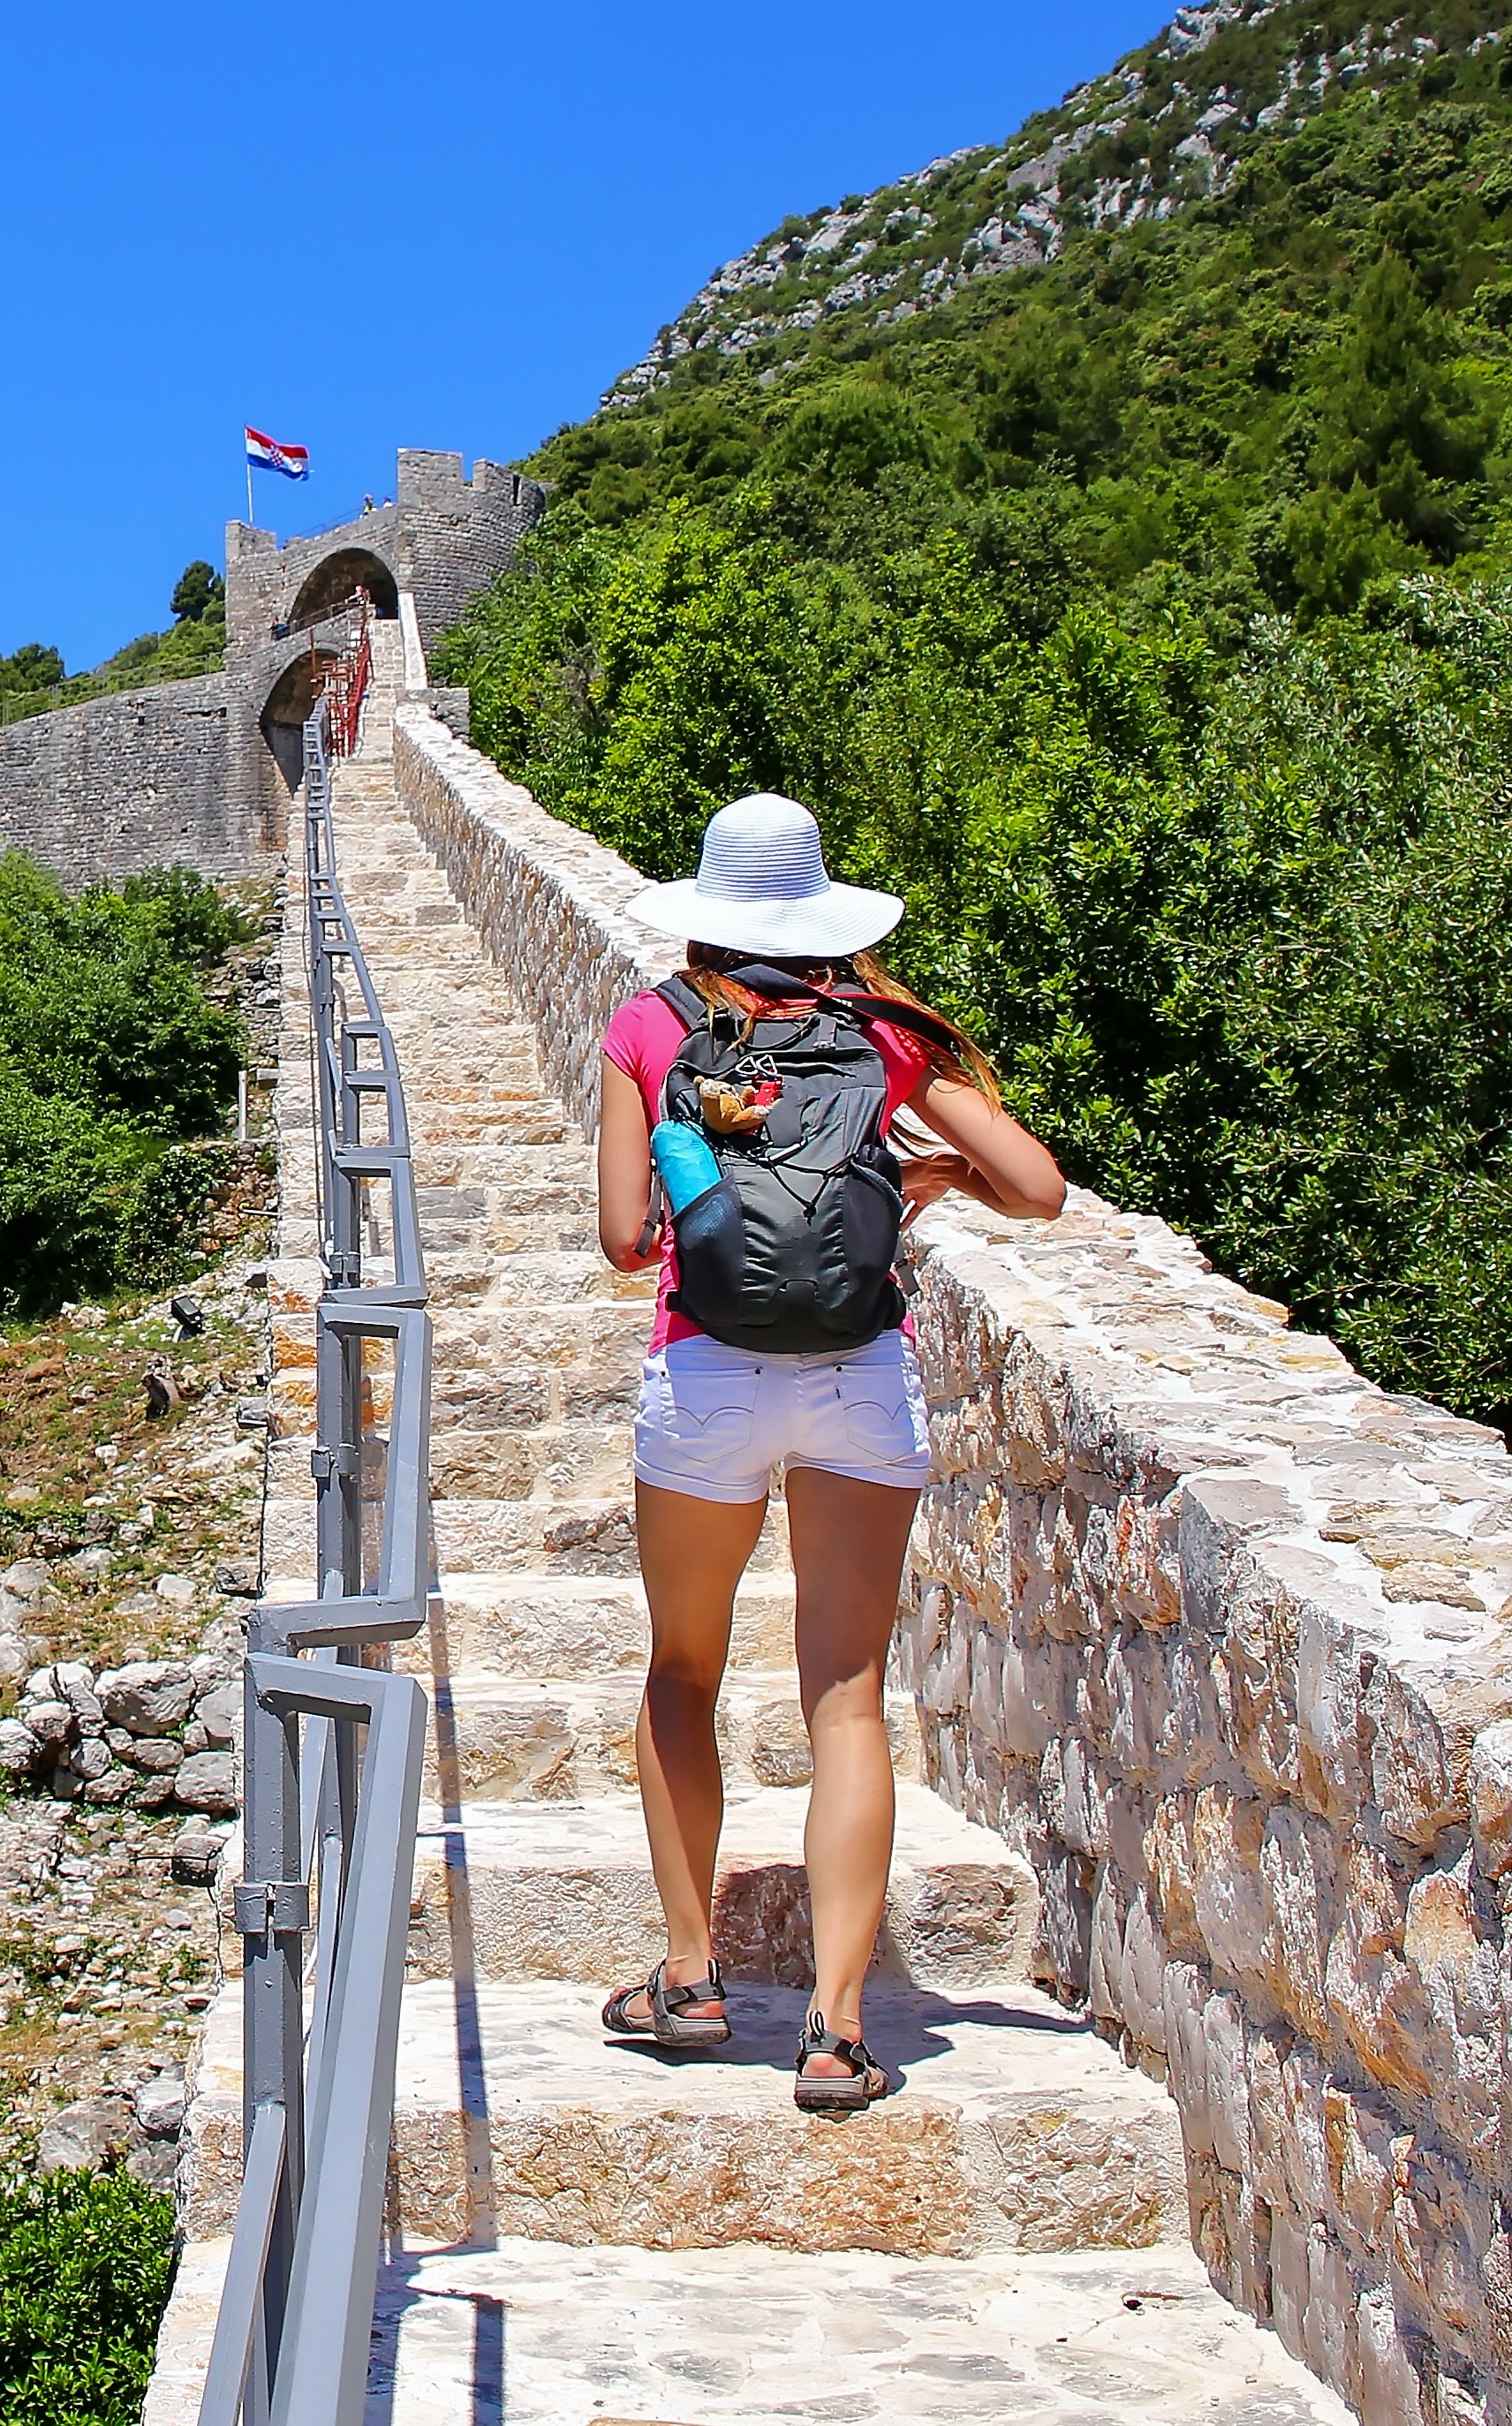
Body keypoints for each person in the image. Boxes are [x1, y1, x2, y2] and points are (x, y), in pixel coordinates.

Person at [587, 791, 1062, 2107]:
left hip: (706, 1381)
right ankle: (839, 2030)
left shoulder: (649, 1026)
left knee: (681, 1668)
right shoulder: (889, 1035)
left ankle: (688, 1976)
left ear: (703, 912)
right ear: (820, 915)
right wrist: (933, 1179)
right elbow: (1038, 1186)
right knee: (845, 1695)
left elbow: (626, 1237)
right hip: (860, 1378)